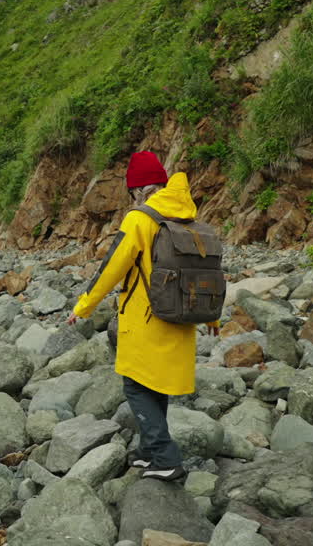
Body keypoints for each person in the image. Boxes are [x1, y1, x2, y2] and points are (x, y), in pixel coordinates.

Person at [67, 151, 218, 482]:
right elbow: (205, 270)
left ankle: (165, 456)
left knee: (136, 386)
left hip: (147, 321)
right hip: (181, 318)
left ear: (136, 190)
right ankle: (149, 451)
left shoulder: (140, 219)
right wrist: (212, 317)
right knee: (156, 385)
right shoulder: (187, 217)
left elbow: (112, 268)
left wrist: (83, 306)